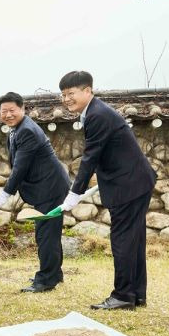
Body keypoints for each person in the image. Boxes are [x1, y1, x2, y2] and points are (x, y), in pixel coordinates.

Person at [57, 71, 156, 310]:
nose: (66, 99)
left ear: (87, 90)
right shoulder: (95, 112)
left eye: (71, 93)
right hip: (135, 182)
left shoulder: (97, 115)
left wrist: (73, 194)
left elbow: (90, 157)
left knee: (122, 240)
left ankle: (122, 295)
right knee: (133, 240)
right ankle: (135, 295)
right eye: (63, 95)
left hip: (128, 186)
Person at [0, 92, 70, 292]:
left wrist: (4, 195)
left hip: (51, 187)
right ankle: (54, 273)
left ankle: (46, 280)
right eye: (4, 111)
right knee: (49, 232)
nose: (8, 114)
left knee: (45, 233)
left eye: (12, 110)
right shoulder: (16, 129)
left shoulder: (27, 131)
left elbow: (20, 168)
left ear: (23, 109)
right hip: (46, 186)